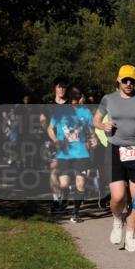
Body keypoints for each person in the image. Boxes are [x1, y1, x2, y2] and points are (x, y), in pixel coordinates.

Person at [93, 65, 135, 252]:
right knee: (118, 197)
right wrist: (103, 125)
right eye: (125, 80)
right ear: (118, 79)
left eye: (131, 80)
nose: (128, 84)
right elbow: (95, 121)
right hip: (115, 150)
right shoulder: (108, 99)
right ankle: (117, 219)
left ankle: (131, 237)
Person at [47, 85, 96, 223]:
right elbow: (50, 128)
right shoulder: (60, 111)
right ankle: (65, 196)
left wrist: (94, 139)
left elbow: (91, 131)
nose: (75, 98)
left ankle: (76, 213)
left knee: (81, 182)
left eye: (78, 95)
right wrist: (56, 139)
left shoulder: (85, 112)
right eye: (73, 95)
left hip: (81, 153)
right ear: (68, 96)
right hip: (64, 154)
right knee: (64, 184)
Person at [40, 79, 68, 212]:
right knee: (53, 170)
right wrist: (47, 128)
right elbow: (42, 119)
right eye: (59, 87)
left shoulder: (70, 104)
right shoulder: (49, 105)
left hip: (69, 143)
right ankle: (56, 199)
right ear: (55, 89)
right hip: (52, 141)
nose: (61, 89)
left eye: (63, 87)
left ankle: (64, 192)